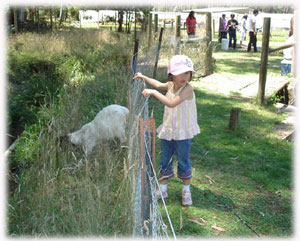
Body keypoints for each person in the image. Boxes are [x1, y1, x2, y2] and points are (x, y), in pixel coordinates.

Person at [133, 55, 200, 206]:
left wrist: (153, 93)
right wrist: (143, 77)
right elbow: (158, 84)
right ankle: (163, 188)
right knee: (166, 158)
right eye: (180, 73)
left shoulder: (187, 89)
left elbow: (171, 103)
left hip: (182, 132)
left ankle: (186, 190)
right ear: (171, 74)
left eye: (187, 73)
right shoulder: (171, 85)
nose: (184, 77)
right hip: (169, 130)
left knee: (183, 160)